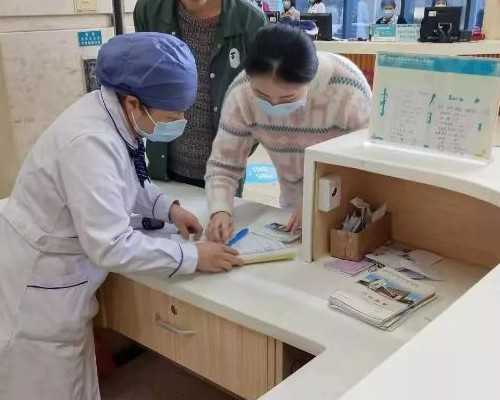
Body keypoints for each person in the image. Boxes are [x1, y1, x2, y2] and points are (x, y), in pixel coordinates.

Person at [0, 33, 243, 400]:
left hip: (61, 275)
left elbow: (127, 176)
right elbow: (111, 245)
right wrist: (193, 256)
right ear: (133, 102)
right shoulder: (90, 142)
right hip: (41, 289)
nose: (180, 121)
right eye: (171, 116)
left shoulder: (116, 114)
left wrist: (169, 209)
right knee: (50, 386)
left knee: (76, 381)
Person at [205, 24, 371, 243]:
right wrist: (220, 210)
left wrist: (316, 198)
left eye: (287, 98)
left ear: (310, 80)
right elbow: (224, 164)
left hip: (348, 210)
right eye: (261, 95)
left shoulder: (347, 88)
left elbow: (367, 166)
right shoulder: (241, 92)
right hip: (291, 207)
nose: (273, 105)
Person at [134, 0, 267, 190]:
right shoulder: (149, 10)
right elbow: (142, 81)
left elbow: (265, 97)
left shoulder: (250, 20)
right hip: (162, 169)